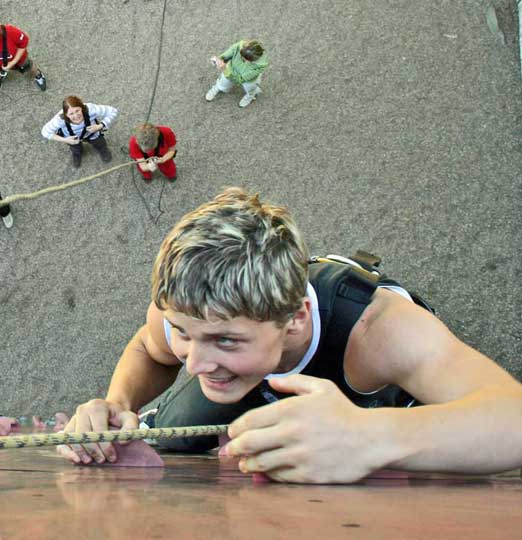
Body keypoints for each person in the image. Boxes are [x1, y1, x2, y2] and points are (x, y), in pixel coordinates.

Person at [58, 187, 522, 484]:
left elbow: (513, 421)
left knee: (427, 474)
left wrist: (369, 437)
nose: (194, 364)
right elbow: (149, 349)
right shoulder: (187, 307)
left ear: (297, 317)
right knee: (175, 437)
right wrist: (119, 404)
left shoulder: (378, 331)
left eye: (226, 341)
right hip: (260, 374)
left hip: (359, 390)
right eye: (184, 334)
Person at [41, 96, 118, 168]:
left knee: (100, 143)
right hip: (72, 139)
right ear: (66, 114)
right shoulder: (60, 120)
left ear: (82, 107)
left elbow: (113, 111)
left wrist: (100, 126)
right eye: (71, 114)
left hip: (93, 133)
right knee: (75, 148)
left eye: (77, 110)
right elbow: (45, 132)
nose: (76, 116)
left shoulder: (91, 109)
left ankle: (103, 150)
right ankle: (77, 154)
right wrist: (65, 140)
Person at [206, 39, 268, 108]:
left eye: (244, 59)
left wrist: (225, 69)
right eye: (241, 55)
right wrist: (219, 60)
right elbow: (228, 53)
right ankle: (218, 87)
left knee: (250, 88)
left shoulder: (259, 66)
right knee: (222, 83)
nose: (241, 59)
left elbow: (239, 80)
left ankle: (251, 95)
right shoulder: (240, 46)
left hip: (249, 80)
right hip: (231, 69)